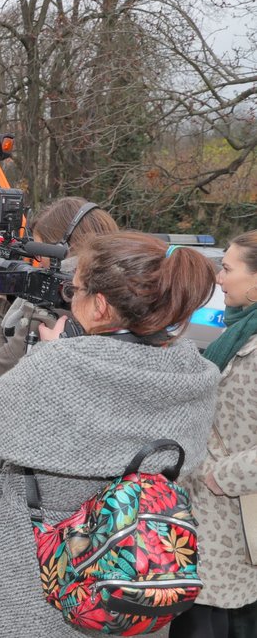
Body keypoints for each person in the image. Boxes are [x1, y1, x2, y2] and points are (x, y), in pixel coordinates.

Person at [0, 232, 220, 637]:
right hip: (132, 573)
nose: (69, 298)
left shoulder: (60, 366)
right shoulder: (193, 373)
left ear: (101, 305)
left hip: (34, 577)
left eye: (75, 289)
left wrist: (53, 352)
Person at [169, 229, 257, 638]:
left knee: (214, 619)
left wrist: (219, 477)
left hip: (234, 518)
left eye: (227, 268)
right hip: (206, 521)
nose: (219, 279)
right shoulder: (239, 331)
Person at [0, 197, 118, 388]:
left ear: (61, 249)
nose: (38, 262)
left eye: (39, 252)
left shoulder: (49, 312)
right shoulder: (125, 292)